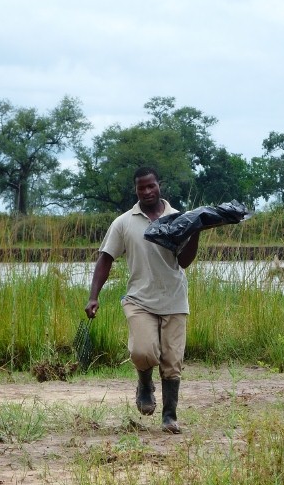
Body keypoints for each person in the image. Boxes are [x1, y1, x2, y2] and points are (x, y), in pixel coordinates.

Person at [85, 166, 199, 434]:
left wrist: (195, 230)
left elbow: (184, 261)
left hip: (174, 299)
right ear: (135, 190)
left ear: (160, 185)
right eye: (141, 187)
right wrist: (93, 296)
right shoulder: (124, 222)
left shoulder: (177, 218)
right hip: (139, 300)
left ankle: (169, 417)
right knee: (143, 351)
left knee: (172, 361)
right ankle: (145, 384)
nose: (147, 191)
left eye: (151, 186)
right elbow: (105, 259)